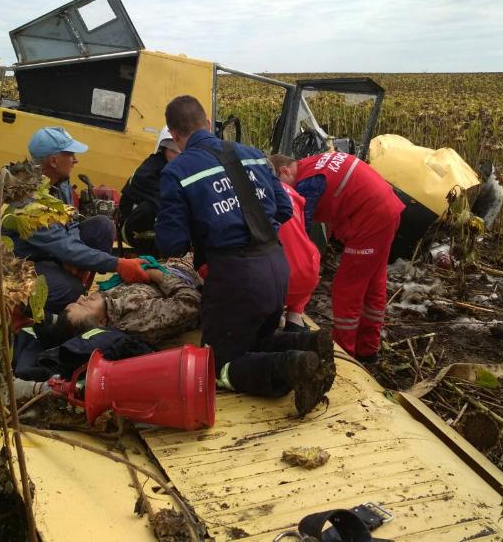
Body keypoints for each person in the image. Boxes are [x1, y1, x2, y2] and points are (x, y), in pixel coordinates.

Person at [154, 95, 333, 416]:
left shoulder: (177, 170)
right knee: (255, 340)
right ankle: (307, 345)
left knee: (214, 364)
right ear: (208, 123)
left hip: (235, 279)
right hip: (277, 269)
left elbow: (171, 245)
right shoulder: (251, 155)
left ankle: (292, 366)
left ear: (173, 134)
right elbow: (282, 208)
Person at [273, 151, 404, 362]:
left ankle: (344, 354)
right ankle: (368, 349)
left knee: (347, 289)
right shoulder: (313, 164)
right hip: (386, 207)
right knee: (373, 284)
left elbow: (301, 236)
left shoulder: (307, 184)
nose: (283, 190)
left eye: (279, 182)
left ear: (284, 171)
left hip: (370, 217)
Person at [6, 126, 149, 313]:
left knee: (102, 226)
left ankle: (77, 283)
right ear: (54, 161)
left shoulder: (60, 181)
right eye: (71, 154)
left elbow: (71, 220)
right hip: (27, 262)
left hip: (54, 250)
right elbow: (61, 245)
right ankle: (27, 312)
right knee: (70, 291)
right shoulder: (27, 201)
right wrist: (119, 264)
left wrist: (74, 258)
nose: (75, 159)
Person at [12, 256, 201, 381]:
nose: (82, 297)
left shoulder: (107, 304)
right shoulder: (135, 319)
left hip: (171, 261)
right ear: (101, 323)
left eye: (77, 302)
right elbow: (191, 302)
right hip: (188, 269)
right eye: (83, 305)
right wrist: (156, 273)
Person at [269, 156, 321, 332]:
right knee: (300, 250)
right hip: (310, 273)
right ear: (283, 172)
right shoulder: (296, 196)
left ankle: (274, 321)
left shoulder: (257, 193)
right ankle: (295, 317)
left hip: (280, 282)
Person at [118, 126, 181, 254]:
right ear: (163, 149)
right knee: (151, 208)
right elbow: (167, 203)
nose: (178, 156)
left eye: (181, 152)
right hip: (131, 229)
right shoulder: (148, 172)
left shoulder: (177, 170)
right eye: (173, 151)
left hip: (155, 229)